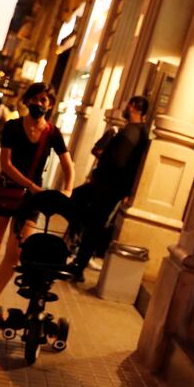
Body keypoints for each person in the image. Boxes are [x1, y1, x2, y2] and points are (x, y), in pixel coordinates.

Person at [0, 83, 74, 318]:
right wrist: (32, 186)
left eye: (44, 100)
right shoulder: (13, 126)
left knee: (16, 252)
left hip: (31, 201)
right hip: (5, 192)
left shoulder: (53, 133)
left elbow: (68, 164)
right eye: (34, 99)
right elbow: (5, 163)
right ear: (26, 101)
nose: (39, 103)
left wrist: (67, 191)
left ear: (51, 105)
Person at [69, 95, 151, 281]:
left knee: (91, 221)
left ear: (133, 107)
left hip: (107, 186)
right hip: (112, 187)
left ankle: (78, 263)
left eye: (127, 104)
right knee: (89, 216)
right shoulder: (139, 132)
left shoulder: (131, 132)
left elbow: (118, 161)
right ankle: (78, 257)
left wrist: (104, 169)